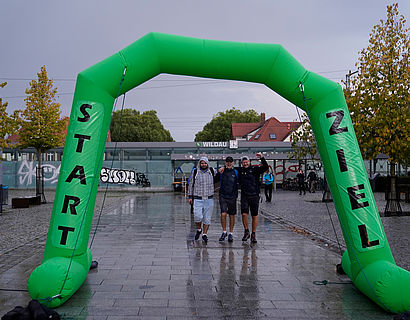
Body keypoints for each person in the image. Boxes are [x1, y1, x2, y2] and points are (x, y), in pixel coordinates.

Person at [220, 153, 268, 243]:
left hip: (254, 195)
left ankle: (253, 234)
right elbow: (229, 166)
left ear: (249, 162)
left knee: (254, 215)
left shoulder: (255, 169)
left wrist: (262, 158)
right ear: (241, 163)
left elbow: (265, 168)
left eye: (246, 162)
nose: (245, 164)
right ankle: (246, 231)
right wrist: (223, 167)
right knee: (244, 214)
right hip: (245, 195)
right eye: (243, 162)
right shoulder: (240, 170)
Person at [188, 156, 215, 244]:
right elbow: (191, 184)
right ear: (200, 164)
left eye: (205, 163)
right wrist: (190, 196)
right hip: (197, 199)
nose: (203, 164)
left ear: (207, 163)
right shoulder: (195, 172)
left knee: (207, 218)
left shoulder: (212, 171)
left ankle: (204, 234)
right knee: (197, 216)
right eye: (202, 163)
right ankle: (199, 229)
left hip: (209, 199)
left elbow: (221, 172)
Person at [215, 156, 239, 243]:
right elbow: (215, 179)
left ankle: (231, 233)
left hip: (232, 196)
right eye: (227, 162)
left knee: (232, 215)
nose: (229, 163)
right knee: (223, 214)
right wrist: (219, 171)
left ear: (233, 163)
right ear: (225, 163)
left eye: (230, 162)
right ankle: (224, 231)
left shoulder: (236, 171)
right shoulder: (222, 171)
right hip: (223, 195)